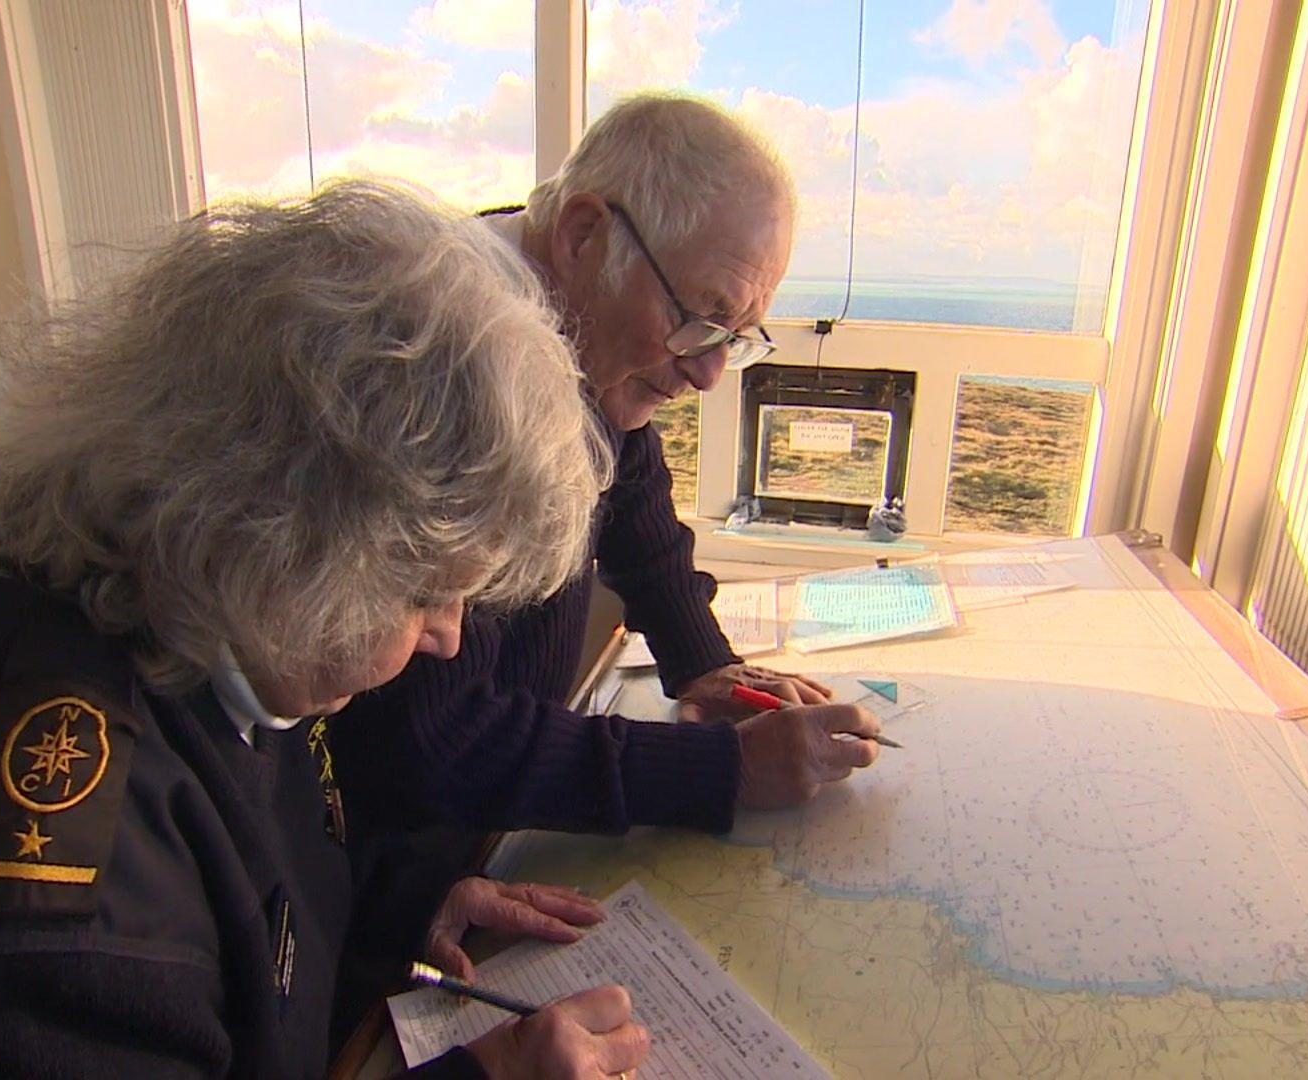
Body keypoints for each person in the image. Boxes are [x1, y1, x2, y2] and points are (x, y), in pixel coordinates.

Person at [0, 183, 649, 1078]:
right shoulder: (38, 919)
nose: (446, 639)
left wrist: (401, 917)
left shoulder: (176, 582)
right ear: (291, 550)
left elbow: (253, 874)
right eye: (428, 595)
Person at [326, 94, 889, 1042]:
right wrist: (720, 772)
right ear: (587, 231)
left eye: (738, 332)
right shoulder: (441, 368)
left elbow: (630, 494)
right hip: (381, 873)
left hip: (466, 845)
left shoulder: (583, 316)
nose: (711, 372)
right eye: (702, 318)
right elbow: (437, 738)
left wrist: (702, 662)